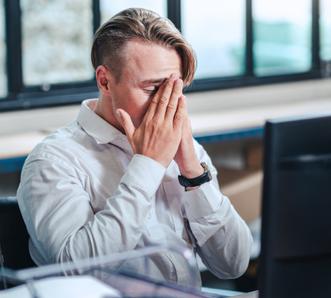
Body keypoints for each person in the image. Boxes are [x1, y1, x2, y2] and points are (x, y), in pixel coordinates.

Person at [17, 8, 253, 286]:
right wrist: (148, 165)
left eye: (175, 89)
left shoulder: (187, 151)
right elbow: (75, 272)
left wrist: (192, 172)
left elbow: (234, 264)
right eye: (153, 89)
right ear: (105, 81)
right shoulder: (53, 160)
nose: (165, 103)